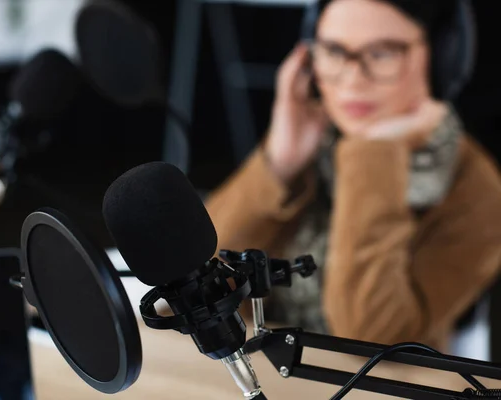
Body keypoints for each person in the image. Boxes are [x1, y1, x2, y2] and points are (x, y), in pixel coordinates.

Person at [205, 0, 501, 351]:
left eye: (382, 54)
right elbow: (193, 281)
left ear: (441, 57)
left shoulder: (477, 187)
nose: (353, 78)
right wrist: (278, 164)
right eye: (333, 50)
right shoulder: (310, 139)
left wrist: (374, 154)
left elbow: (371, 339)